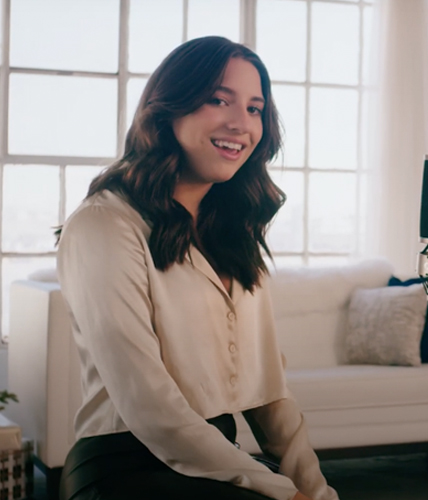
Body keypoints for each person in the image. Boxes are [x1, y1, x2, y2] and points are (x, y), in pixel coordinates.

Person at [56, 36, 338, 500]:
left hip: (218, 464)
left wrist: (315, 491)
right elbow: (150, 407)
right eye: (218, 100)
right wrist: (286, 495)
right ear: (168, 109)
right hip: (123, 468)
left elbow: (270, 390)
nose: (240, 123)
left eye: (254, 108)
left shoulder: (235, 233)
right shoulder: (103, 225)